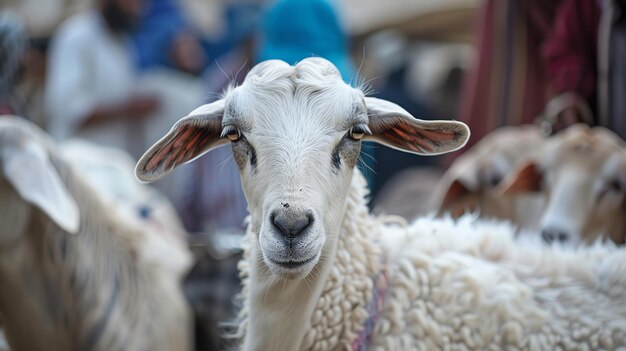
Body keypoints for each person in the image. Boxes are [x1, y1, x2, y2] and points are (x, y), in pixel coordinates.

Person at [44, 0, 159, 157]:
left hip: (112, 167)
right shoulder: (77, 35)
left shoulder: (123, 43)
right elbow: (71, 112)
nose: (137, 9)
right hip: (77, 164)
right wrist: (129, 108)